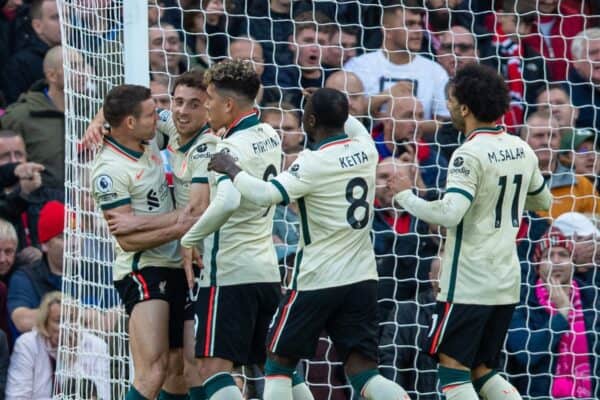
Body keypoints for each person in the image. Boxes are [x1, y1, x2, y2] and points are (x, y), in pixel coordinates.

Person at [208, 87, 410, 400]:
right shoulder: (367, 148)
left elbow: (265, 194)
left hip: (317, 279)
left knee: (278, 364)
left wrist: (231, 168)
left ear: (310, 120)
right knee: (365, 373)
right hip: (362, 278)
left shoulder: (312, 163)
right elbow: (351, 122)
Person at [386, 64, 552, 399]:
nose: (447, 109)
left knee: (452, 369)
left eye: (449, 102)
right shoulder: (522, 148)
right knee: (483, 369)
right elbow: (542, 199)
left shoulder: (468, 154)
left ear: (464, 108)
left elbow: (450, 213)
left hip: (468, 282)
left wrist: (405, 194)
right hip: (505, 281)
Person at [90, 85, 192, 400]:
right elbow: (128, 241)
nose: (159, 116)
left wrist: (178, 221)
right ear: (130, 123)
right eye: (151, 114)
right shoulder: (109, 171)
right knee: (153, 370)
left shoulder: (148, 139)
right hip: (144, 271)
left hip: (176, 265)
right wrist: (182, 223)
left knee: (179, 370)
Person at [506, 228, 600, 398]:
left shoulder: (592, 299)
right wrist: (562, 312)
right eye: (548, 255)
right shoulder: (521, 303)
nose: (556, 261)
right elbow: (526, 355)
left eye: (563, 255)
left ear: (573, 262)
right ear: (538, 265)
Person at [5, 291, 110, 400]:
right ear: (45, 323)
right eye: (59, 320)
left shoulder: (97, 346)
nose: (67, 326)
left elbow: (102, 395)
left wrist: (71, 360)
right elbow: (16, 396)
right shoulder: (27, 344)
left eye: (72, 319)